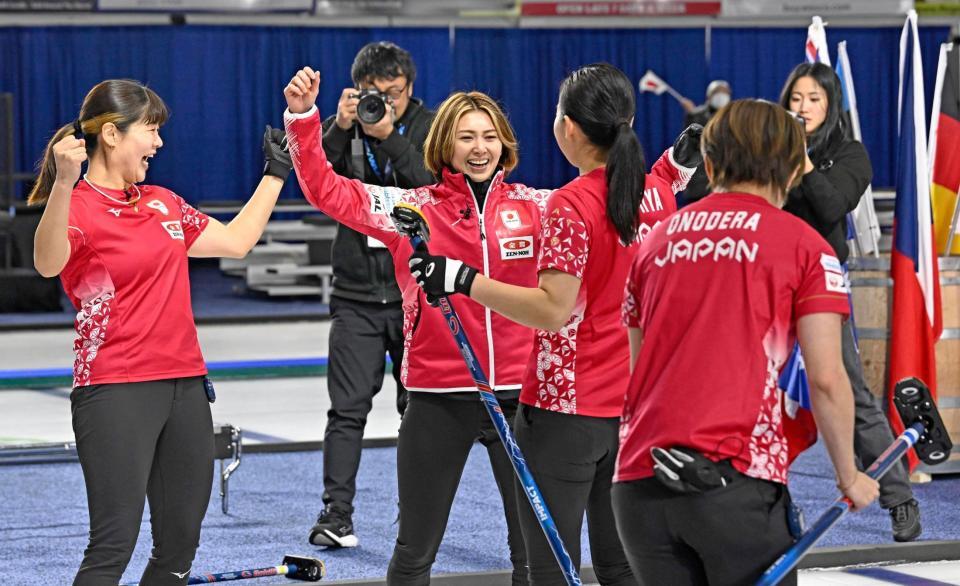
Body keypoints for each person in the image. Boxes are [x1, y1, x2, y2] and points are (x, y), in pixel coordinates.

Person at [407, 63, 699, 585]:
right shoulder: (655, 193)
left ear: (568, 127)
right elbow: (644, 189)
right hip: (632, 406)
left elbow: (552, 309)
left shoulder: (568, 204)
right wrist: (675, 165)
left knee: (550, 570)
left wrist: (461, 278)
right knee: (620, 565)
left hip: (566, 407)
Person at [29, 79, 292, 585]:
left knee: (179, 545)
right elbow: (47, 263)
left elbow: (237, 242)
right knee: (113, 544)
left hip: (186, 385)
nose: (158, 143)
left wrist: (277, 171)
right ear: (111, 134)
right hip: (114, 388)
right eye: (150, 130)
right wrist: (63, 184)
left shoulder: (163, 202)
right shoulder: (78, 205)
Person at [284, 67, 535, 586]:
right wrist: (305, 119)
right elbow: (327, 191)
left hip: (521, 398)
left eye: (489, 136)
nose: (480, 147)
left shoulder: (538, 206)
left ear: (505, 145)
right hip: (438, 398)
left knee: (531, 554)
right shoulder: (411, 209)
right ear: (445, 145)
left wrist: (674, 172)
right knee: (415, 552)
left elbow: (619, 204)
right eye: (467, 137)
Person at [612, 99, 879, 585]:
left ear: (709, 164)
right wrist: (848, 476)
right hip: (734, 485)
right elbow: (825, 377)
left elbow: (639, 369)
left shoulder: (654, 243)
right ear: (796, 167)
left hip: (638, 486)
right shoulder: (804, 246)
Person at [780, 62, 921, 542]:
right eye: (795, 99)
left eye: (813, 99)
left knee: (850, 392)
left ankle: (899, 496)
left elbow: (829, 206)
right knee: (760, 398)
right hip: (769, 283)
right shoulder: (767, 150)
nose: (802, 109)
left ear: (830, 104)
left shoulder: (850, 153)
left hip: (822, 285)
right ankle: (771, 505)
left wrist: (797, 160)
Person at [308, 41, 435, 549]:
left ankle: (419, 517)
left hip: (416, 295)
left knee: (419, 411)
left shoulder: (431, 127)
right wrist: (340, 126)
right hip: (357, 294)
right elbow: (316, 180)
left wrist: (387, 138)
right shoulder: (349, 122)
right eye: (373, 94)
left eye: (394, 93)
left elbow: (431, 185)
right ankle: (336, 515)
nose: (384, 102)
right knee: (347, 410)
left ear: (410, 87)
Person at [678, 80, 731, 204]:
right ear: (709, 96)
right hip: (699, 185)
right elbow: (694, 143)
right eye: (717, 92)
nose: (721, 96)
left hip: (725, 183)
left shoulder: (733, 117)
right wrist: (692, 116)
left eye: (725, 92)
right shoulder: (696, 116)